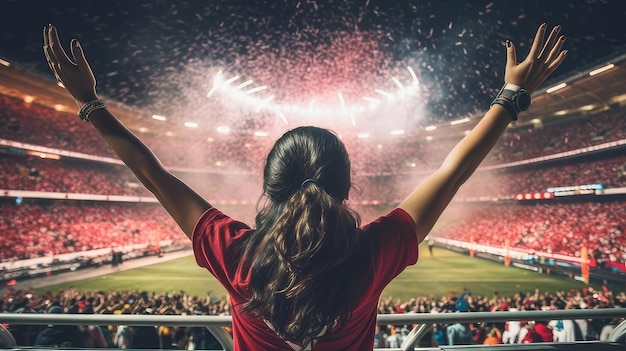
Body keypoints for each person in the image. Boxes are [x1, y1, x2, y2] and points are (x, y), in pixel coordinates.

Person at [43, 22, 567, 350]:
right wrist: (510, 96)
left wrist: (92, 105)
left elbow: (155, 176)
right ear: (345, 188)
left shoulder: (235, 254)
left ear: (269, 190)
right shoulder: (375, 251)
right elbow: (452, 170)